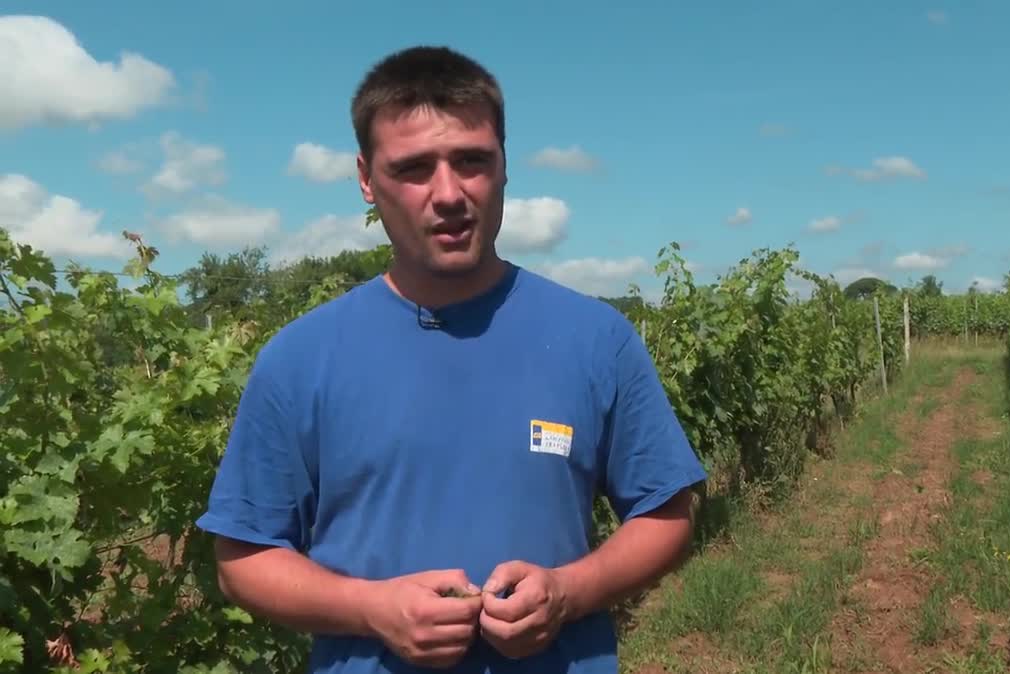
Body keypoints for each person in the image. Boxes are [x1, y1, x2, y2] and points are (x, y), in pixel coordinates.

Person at [195, 45, 708, 673]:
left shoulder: (596, 339)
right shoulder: (301, 360)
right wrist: (370, 608)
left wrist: (569, 594)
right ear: (365, 179)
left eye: (471, 161)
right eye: (413, 168)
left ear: (503, 167)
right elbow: (243, 559)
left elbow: (667, 514)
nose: (448, 194)